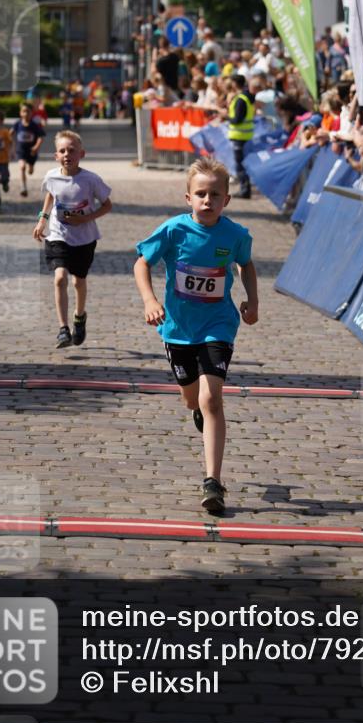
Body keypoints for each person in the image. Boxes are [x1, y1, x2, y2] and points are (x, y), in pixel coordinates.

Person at [133, 156, 259, 514]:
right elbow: (142, 263)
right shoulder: (174, 230)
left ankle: (213, 482)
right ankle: (199, 412)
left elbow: (245, 264)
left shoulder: (235, 235)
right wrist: (149, 299)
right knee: (192, 400)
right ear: (188, 198)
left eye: (215, 195)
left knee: (212, 399)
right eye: (200, 194)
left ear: (226, 200)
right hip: (177, 329)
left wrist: (251, 299)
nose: (208, 201)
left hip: (218, 325)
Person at [33, 130, 112, 348]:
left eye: (72, 150)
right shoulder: (51, 176)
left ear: (82, 154)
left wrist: (86, 218)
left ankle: (79, 316)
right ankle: (63, 329)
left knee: (78, 281)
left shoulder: (90, 180)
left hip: (84, 238)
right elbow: (51, 193)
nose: (67, 154)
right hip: (58, 235)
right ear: (56, 156)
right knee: (59, 278)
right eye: (62, 150)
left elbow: (107, 205)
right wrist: (43, 219)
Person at [225, 73, 255, 199]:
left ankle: (244, 190)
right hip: (245, 136)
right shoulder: (246, 97)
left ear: (234, 84)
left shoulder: (241, 99)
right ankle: (245, 189)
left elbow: (237, 119)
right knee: (243, 164)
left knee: (240, 165)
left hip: (239, 136)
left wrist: (226, 116)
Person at [12, 102, 45, 198]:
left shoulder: (34, 125)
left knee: (30, 171)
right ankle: (23, 187)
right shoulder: (17, 124)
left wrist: (36, 147)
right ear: (20, 113)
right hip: (21, 150)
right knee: (22, 167)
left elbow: (41, 137)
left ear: (32, 113)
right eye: (24, 111)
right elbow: (10, 134)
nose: (26, 114)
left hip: (32, 152)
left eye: (28, 112)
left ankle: (31, 166)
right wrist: (10, 144)